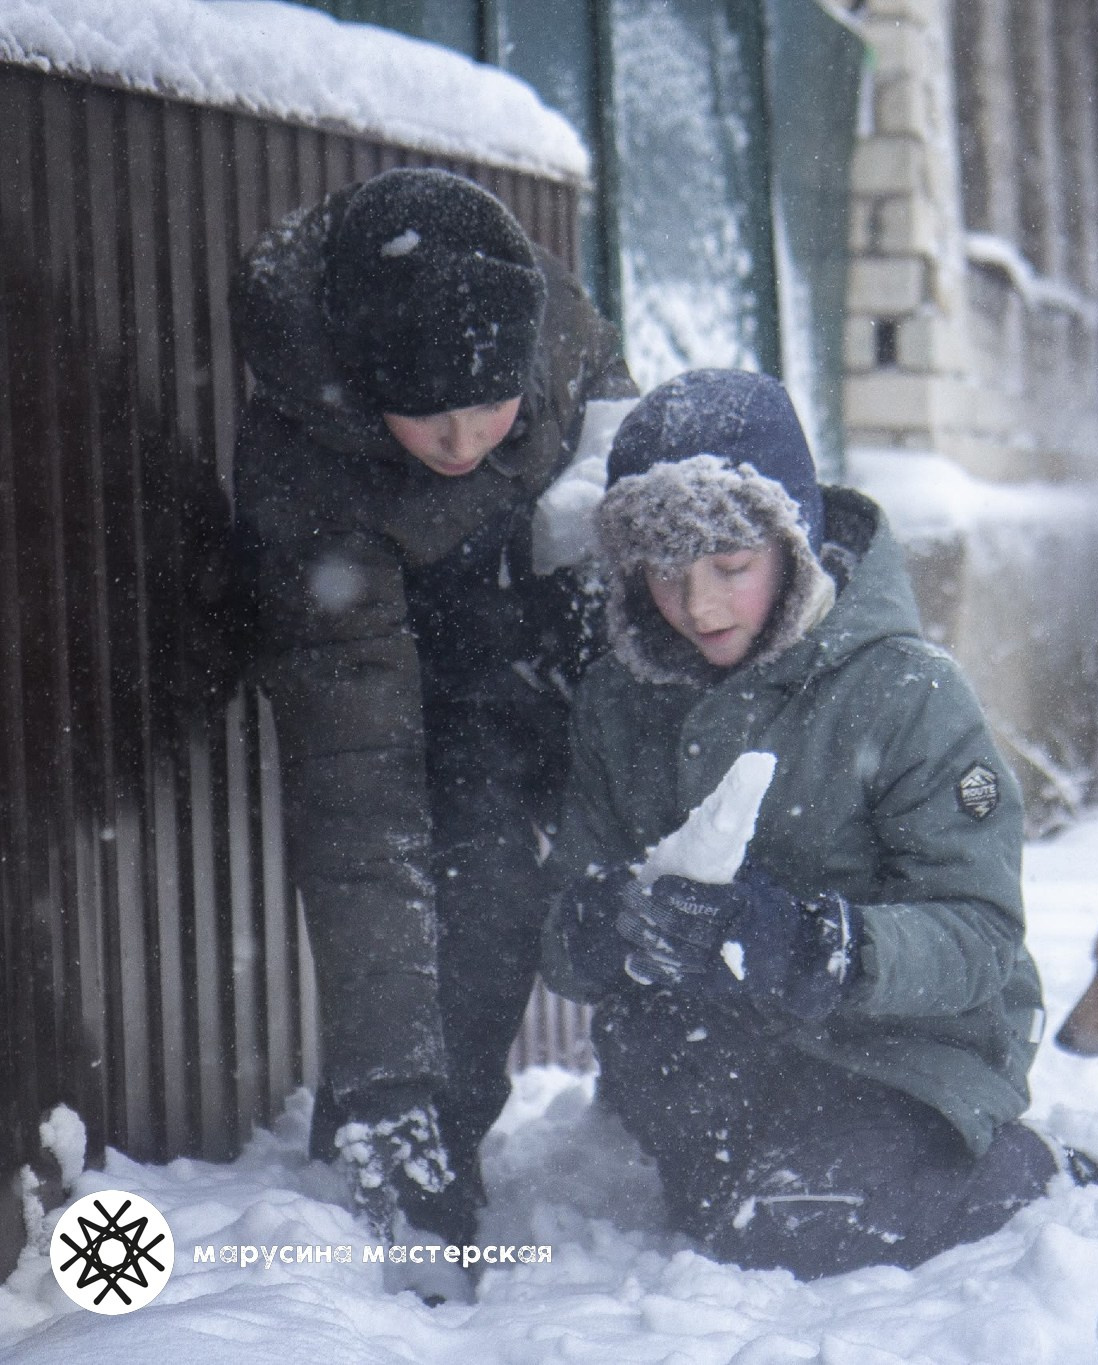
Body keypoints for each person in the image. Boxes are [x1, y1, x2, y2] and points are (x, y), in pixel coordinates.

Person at [540, 369, 1098, 1279]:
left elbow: (979, 938)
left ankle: (1040, 1171)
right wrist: (610, 923)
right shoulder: (620, 702)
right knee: (720, 1214)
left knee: (792, 1226)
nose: (697, 606)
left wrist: (819, 945)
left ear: (795, 543)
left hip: (898, 1045)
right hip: (709, 1048)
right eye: (666, 573)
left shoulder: (908, 693)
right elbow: (558, 921)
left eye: (730, 569)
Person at [230, 167, 637, 1246]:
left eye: (486, 412)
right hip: (411, 669)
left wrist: (577, 553)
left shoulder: (553, 333)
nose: (464, 444)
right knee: (483, 886)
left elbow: (619, 444)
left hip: (546, 623)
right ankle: (414, 1147)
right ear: (370, 389)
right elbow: (360, 802)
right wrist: (387, 1089)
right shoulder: (305, 473)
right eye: (430, 419)